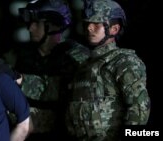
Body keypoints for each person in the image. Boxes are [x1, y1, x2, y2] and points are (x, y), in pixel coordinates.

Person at [65, 0, 151, 140]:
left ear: (114, 29)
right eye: (87, 23)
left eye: (96, 24)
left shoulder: (123, 61)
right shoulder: (84, 65)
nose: (89, 28)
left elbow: (139, 107)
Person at [11, 0, 90, 140]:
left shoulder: (76, 56)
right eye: (30, 23)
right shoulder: (26, 56)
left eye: (36, 23)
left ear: (53, 25)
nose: (30, 29)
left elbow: (57, 93)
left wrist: (21, 80)